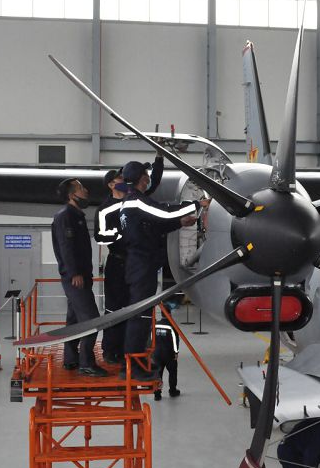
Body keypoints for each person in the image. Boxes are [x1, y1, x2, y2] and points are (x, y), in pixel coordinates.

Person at [118, 159, 209, 382]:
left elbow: (154, 225)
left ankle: (133, 363)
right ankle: (132, 367)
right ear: (142, 179)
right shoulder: (136, 201)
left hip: (140, 264)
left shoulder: (131, 202)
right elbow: (165, 212)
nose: (149, 179)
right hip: (142, 266)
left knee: (141, 315)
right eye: (147, 175)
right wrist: (198, 205)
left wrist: (180, 223)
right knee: (140, 316)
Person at [94, 157, 164, 365]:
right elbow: (100, 236)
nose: (125, 180)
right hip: (117, 263)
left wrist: (159, 158)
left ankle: (131, 350)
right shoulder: (105, 209)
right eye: (120, 178)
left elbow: (152, 181)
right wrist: (122, 234)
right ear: (111, 184)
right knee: (114, 308)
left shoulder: (134, 199)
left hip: (136, 263)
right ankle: (110, 349)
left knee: (135, 307)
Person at [51, 178, 108, 377]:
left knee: (74, 321)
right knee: (92, 321)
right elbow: (66, 248)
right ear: (71, 195)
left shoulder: (77, 215)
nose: (86, 191)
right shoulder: (65, 216)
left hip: (82, 276)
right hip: (75, 278)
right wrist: (74, 273)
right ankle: (86, 363)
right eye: (81, 188)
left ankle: (70, 358)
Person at [152, 309, 181, 400]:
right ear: (169, 314)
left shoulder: (155, 325)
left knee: (158, 373)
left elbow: (151, 338)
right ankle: (172, 391)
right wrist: (176, 352)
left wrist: (152, 351)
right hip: (169, 354)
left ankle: (157, 393)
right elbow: (175, 341)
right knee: (172, 372)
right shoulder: (172, 326)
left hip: (157, 353)